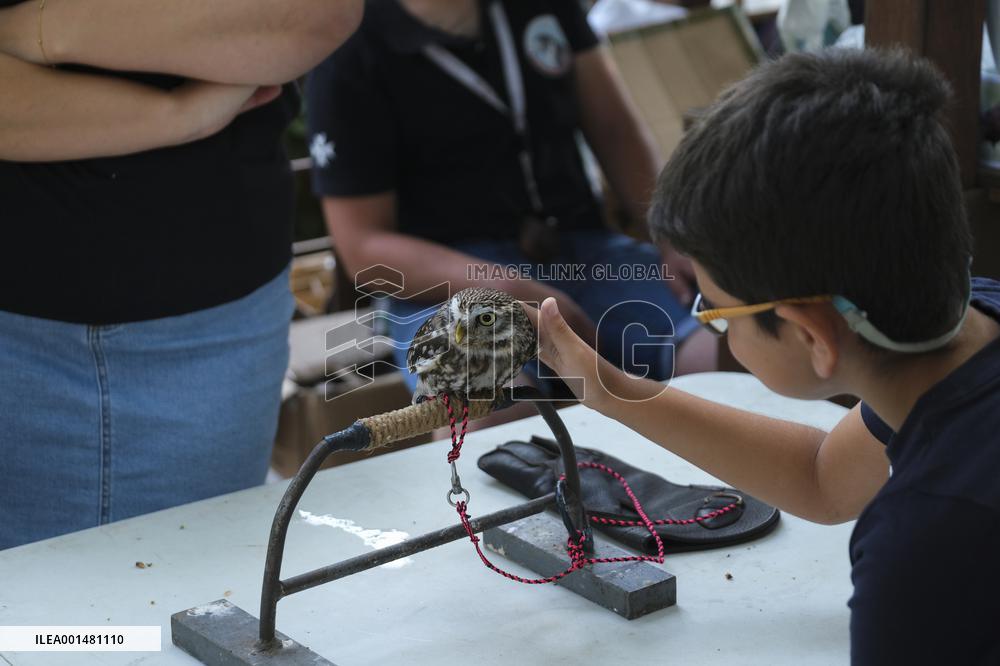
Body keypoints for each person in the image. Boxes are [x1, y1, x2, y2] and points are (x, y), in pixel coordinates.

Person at [528, 48, 1000, 664]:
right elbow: (825, 478)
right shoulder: (967, 329)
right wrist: (604, 386)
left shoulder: (925, 545)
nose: (711, 324)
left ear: (812, 337)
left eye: (716, 310)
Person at [0, 0, 362, 549]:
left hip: (215, 331)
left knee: (191, 607)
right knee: (43, 629)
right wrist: (183, 115)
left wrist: (41, 30)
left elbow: (313, 15)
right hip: (19, 337)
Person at [306, 0, 717, 404]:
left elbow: (614, 130)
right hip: (448, 281)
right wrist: (511, 290)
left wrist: (670, 232)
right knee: (486, 405)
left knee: (725, 353)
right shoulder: (348, 43)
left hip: (583, 251)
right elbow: (364, 249)